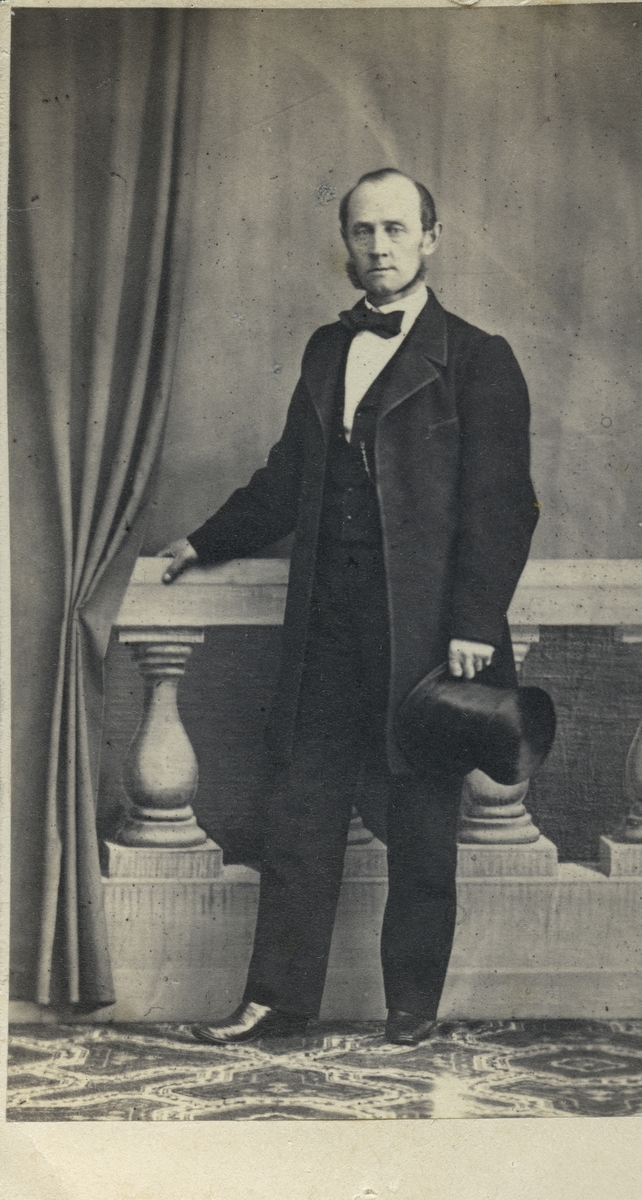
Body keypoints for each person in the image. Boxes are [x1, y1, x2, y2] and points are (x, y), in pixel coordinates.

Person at [160, 168, 539, 1046]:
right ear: (347, 243)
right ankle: (276, 1002)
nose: (379, 246)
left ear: (431, 239)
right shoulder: (326, 349)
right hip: (327, 627)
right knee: (301, 809)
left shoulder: (479, 357)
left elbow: (503, 505)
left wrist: (474, 622)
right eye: (363, 231)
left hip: (426, 631)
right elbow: (288, 476)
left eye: (396, 229)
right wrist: (205, 541)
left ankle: (412, 1008)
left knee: (422, 819)